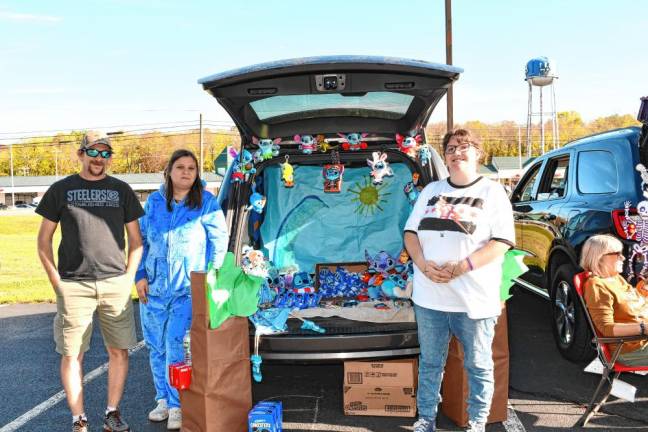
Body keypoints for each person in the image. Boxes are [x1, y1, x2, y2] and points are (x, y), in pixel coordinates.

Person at [403, 129, 515, 432]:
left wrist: (462, 267)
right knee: (429, 363)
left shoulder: (493, 192)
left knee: (478, 365)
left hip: (474, 300)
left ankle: (476, 423)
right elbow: (410, 233)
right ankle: (425, 418)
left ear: (478, 153)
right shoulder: (431, 191)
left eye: (464, 147)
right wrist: (423, 265)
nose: (456, 153)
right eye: (451, 148)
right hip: (430, 298)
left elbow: (501, 243)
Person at [36, 131, 144, 432]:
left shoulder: (122, 190)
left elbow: (136, 241)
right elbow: (43, 241)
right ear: (80, 154)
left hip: (115, 285)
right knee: (73, 353)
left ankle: (112, 414)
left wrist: (128, 278)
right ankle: (79, 419)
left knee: (119, 350)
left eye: (105, 153)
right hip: (73, 285)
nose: (99, 159)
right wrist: (57, 282)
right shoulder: (61, 189)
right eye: (93, 153)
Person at [135, 149, 228, 430]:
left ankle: (178, 404)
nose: (186, 172)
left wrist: (210, 275)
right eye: (180, 167)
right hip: (153, 289)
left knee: (176, 344)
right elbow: (140, 240)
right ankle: (162, 398)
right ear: (169, 171)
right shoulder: (153, 202)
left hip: (187, 289)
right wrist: (139, 274)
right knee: (155, 346)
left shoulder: (206, 202)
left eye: (191, 168)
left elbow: (219, 240)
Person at [580, 234, 648, 366]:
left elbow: (634, 299)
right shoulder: (596, 286)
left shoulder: (615, 278)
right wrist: (643, 328)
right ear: (599, 258)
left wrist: (644, 287)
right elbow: (606, 328)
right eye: (617, 254)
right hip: (631, 347)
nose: (623, 258)